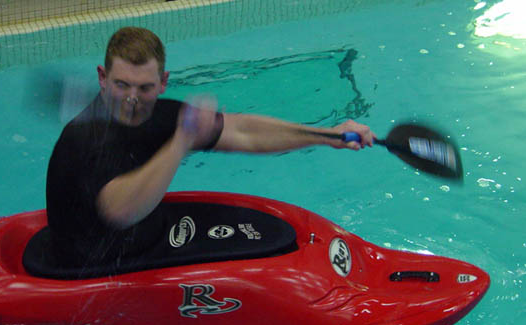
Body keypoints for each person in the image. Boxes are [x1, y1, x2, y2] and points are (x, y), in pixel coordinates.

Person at [46, 26, 375, 268]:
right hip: (92, 268)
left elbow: (243, 131)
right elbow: (120, 210)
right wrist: (181, 141)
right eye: (122, 85)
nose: (132, 99)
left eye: (144, 88)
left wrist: (328, 135)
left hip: (145, 239)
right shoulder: (86, 138)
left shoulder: (159, 114)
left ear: (163, 82)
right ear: (102, 77)